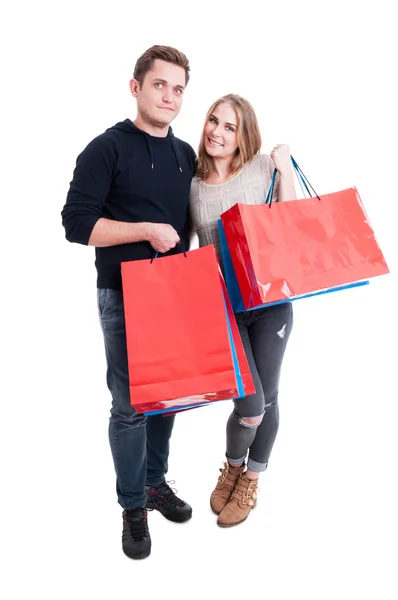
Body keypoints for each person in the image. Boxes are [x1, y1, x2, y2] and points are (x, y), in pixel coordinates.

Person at [61, 45, 196, 560]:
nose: (169, 96)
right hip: (122, 294)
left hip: (175, 295)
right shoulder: (105, 149)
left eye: (178, 88)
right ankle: (133, 505)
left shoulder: (185, 155)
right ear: (136, 87)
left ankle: (156, 482)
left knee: (169, 397)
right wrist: (145, 231)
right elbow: (76, 224)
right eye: (159, 84)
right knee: (131, 403)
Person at [189, 94, 296, 527]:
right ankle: (233, 464)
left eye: (229, 126)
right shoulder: (193, 185)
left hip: (270, 303)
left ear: (243, 134)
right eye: (213, 121)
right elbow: (188, 250)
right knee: (249, 406)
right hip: (223, 308)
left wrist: (285, 168)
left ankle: (250, 478)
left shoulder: (260, 168)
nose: (217, 131)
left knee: (267, 399)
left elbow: (290, 220)